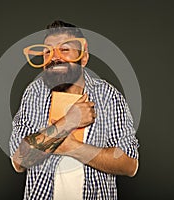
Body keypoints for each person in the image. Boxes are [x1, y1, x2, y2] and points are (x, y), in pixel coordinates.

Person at [9, 20, 139, 200]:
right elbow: (19, 161)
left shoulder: (109, 96)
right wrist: (68, 122)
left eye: (64, 49)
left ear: (83, 58)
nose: (55, 57)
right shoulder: (34, 93)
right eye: (48, 51)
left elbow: (130, 164)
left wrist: (73, 148)